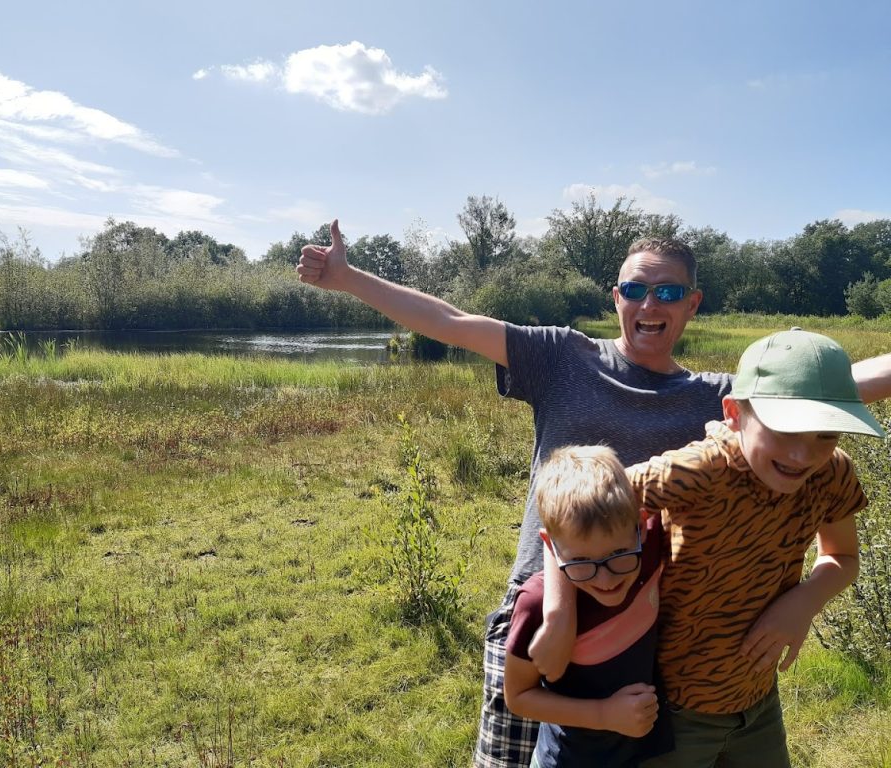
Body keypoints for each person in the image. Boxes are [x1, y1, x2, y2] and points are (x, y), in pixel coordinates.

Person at [296, 220, 891, 768]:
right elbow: (450, 322)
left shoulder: (718, 398)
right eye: (635, 290)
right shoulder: (562, 357)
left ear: (692, 303)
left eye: (666, 292)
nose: (648, 304)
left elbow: (828, 393)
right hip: (542, 602)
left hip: (637, 617)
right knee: (508, 754)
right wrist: (348, 278)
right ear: (617, 297)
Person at [512, 329, 885, 768]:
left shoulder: (832, 473)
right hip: (674, 705)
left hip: (758, 697)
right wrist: (558, 613)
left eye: (826, 434)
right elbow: (575, 512)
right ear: (733, 413)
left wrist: (802, 601)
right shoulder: (695, 471)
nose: (804, 453)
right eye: (785, 429)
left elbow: (841, 556)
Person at [503, 445, 669, 768]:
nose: (606, 579)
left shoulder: (649, 547)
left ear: (640, 525)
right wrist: (603, 714)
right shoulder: (535, 605)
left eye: (618, 555)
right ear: (551, 545)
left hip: (642, 753)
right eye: (581, 562)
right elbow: (518, 696)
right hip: (568, 760)